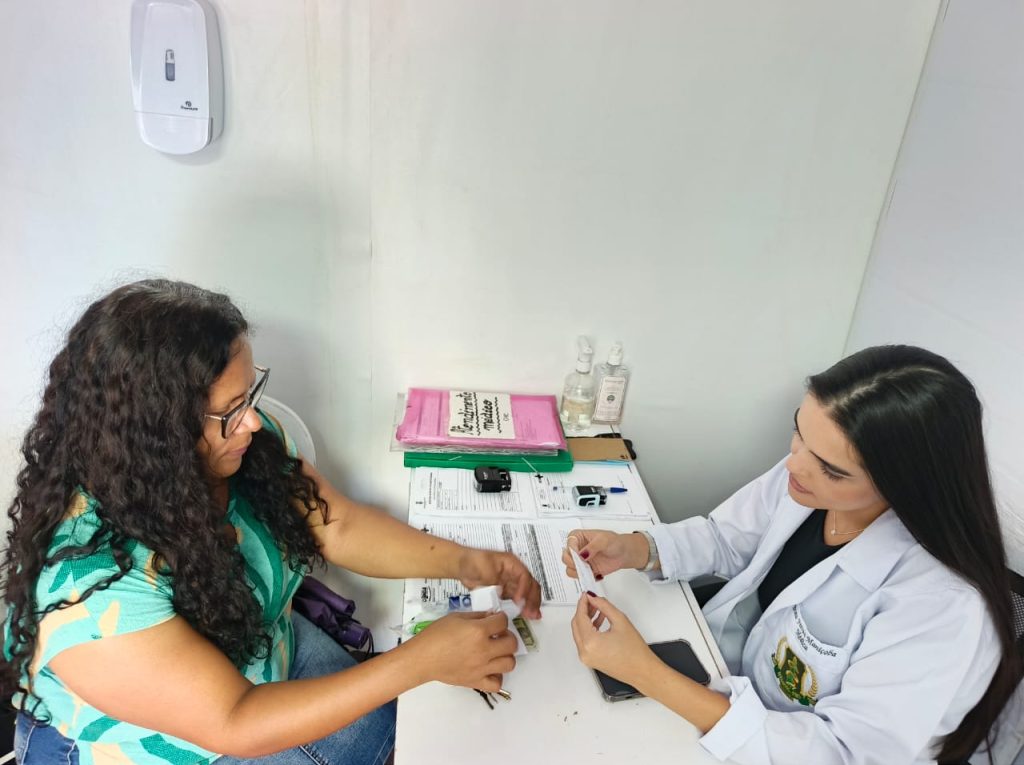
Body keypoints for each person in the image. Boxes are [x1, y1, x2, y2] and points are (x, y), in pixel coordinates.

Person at [1, 279, 542, 765]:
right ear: (156, 434)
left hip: (263, 654)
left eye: (249, 395)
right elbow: (234, 720)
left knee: (414, 736)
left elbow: (336, 525)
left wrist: (468, 561)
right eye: (229, 411)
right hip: (175, 741)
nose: (254, 422)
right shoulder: (88, 591)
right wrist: (419, 661)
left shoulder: (241, 448)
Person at [563, 345, 1022, 765]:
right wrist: (636, 548)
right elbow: (725, 537)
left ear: (905, 485)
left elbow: (840, 753)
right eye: (799, 433)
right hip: (722, 689)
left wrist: (646, 672)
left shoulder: (941, 605)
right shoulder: (809, 476)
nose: (793, 463)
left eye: (831, 469)